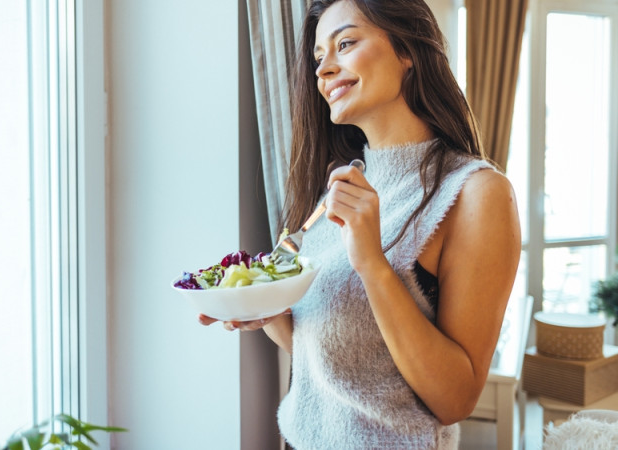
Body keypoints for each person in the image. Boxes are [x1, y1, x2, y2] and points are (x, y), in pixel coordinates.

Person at [199, 0, 521, 448]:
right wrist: (262, 307)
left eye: (344, 44)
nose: (323, 70)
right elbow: (351, 366)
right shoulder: (342, 187)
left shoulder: (475, 193)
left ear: (407, 48)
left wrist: (372, 263)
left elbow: (455, 398)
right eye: (317, 58)